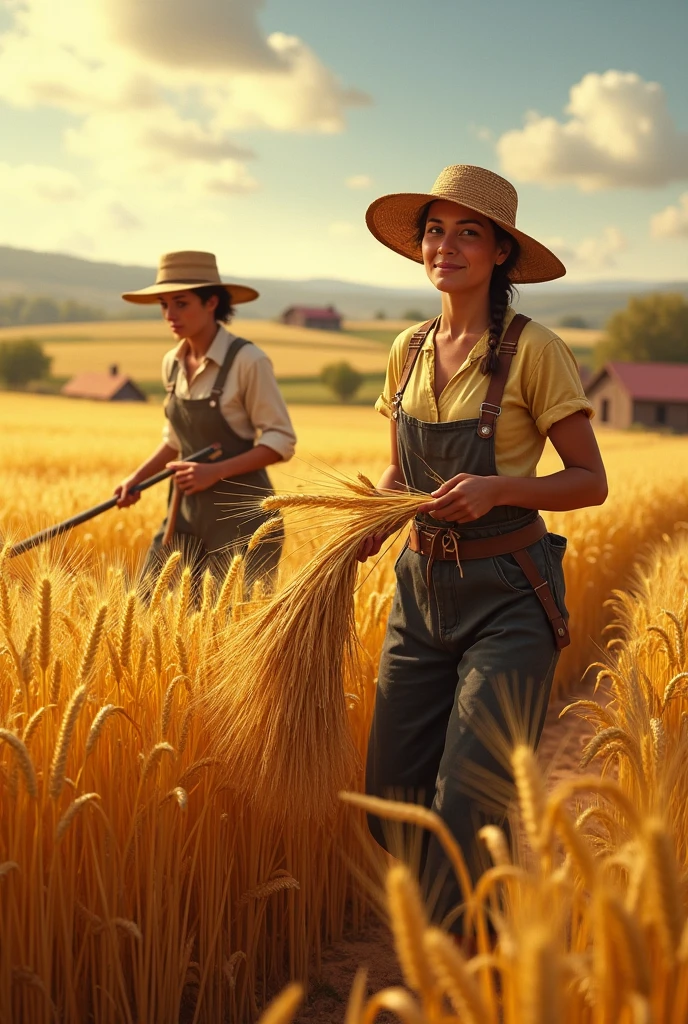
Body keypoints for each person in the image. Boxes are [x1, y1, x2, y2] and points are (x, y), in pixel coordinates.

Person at [358, 165, 607, 937]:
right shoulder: (407, 348)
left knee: (470, 802)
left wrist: (499, 491)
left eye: (470, 232)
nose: (447, 245)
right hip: (420, 591)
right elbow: (403, 469)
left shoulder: (535, 351)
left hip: (508, 595)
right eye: (435, 230)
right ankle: (471, 927)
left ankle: (463, 970)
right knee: (389, 796)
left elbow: (589, 481)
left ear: (502, 252)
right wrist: (377, 511)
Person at [115, 251, 296, 594]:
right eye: (164, 305)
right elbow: (175, 438)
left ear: (211, 301)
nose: (170, 315)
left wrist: (214, 471)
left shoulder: (248, 361)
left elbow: (281, 440)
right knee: (148, 609)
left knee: (230, 629)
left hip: (243, 522)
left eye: (181, 303)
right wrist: (136, 478)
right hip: (183, 515)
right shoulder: (171, 363)